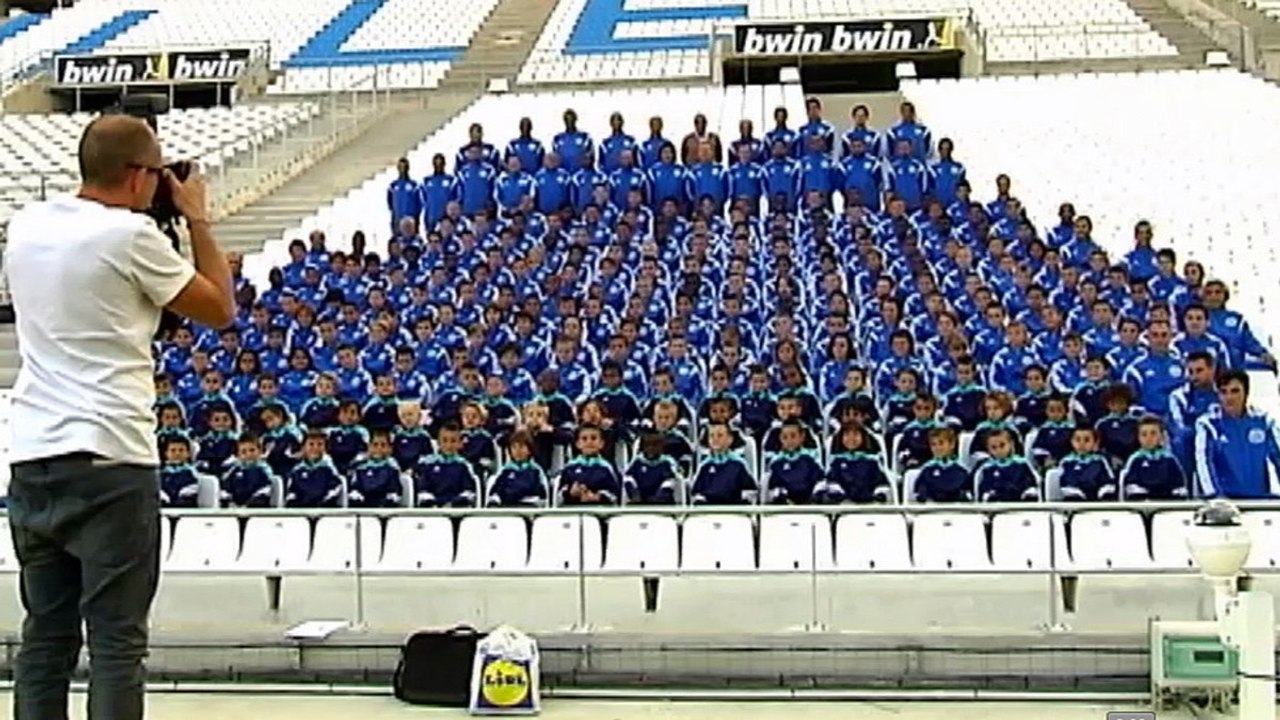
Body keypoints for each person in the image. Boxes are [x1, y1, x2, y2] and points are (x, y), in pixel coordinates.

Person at [5, 114, 235, 719]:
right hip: (111, 453)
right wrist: (197, 218)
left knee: (46, 637)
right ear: (138, 176)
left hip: (32, 453)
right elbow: (218, 308)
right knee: (115, 643)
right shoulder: (129, 239)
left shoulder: (25, 226)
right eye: (156, 173)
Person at [1194, 370, 1280, 498]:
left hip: (1259, 501)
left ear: (1246, 393)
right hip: (1224, 503)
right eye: (1223, 392)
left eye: (1235, 391)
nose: (1229, 397)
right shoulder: (1208, 424)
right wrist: (1213, 495)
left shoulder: (1263, 421)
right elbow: (1203, 463)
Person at [387, 157, 422, 231]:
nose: (403, 169)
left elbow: (419, 203)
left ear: (408, 168)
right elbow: (390, 203)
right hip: (397, 219)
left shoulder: (414, 185)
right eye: (401, 167)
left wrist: (416, 219)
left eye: (405, 167)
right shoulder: (393, 185)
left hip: (410, 220)